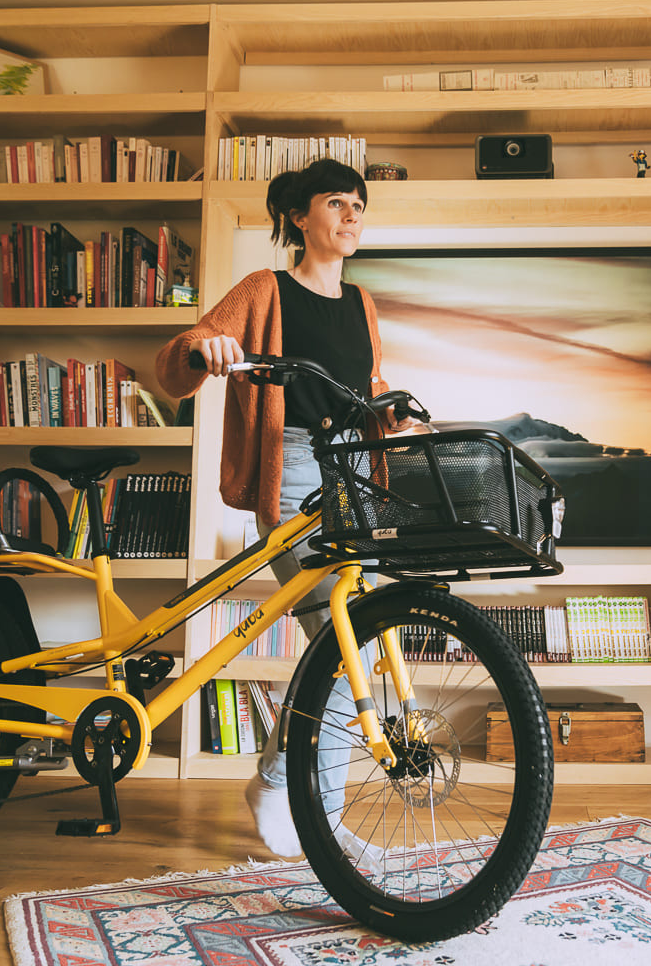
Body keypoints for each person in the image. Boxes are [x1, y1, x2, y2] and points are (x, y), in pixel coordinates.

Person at [155, 158, 407, 859]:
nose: (352, 215)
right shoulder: (264, 290)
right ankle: (313, 813)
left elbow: (365, 384)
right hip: (293, 468)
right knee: (345, 637)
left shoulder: (361, 302)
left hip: (355, 471)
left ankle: (281, 786)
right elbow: (177, 358)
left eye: (359, 205)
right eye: (337, 202)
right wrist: (206, 348)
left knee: (349, 642)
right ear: (300, 217)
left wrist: (389, 413)